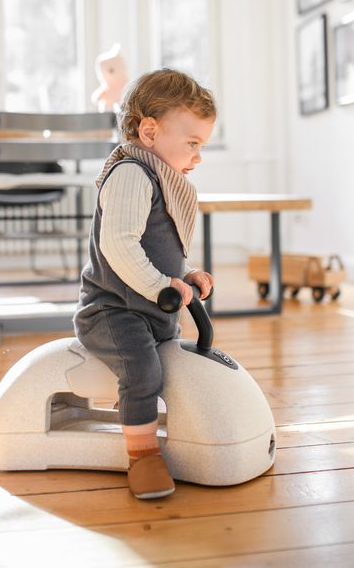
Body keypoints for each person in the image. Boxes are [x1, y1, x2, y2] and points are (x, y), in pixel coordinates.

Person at [74, 68, 217, 499]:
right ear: (149, 131)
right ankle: (143, 456)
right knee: (142, 371)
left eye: (201, 146)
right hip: (112, 311)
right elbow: (119, 244)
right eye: (192, 143)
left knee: (169, 368)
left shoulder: (160, 179)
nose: (198, 156)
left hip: (152, 307)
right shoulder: (131, 174)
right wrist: (160, 285)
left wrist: (184, 275)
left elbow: (159, 243)